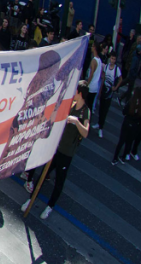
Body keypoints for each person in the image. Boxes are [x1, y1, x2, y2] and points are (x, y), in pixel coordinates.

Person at [22, 80, 90, 219]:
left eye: (75, 90)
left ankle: (50, 206)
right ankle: (31, 199)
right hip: (56, 148)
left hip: (67, 153)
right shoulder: (71, 104)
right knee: (43, 174)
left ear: (80, 93)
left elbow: (85, 133)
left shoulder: (85, 112)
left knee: (59, 182)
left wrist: (76, 121)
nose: (73, 93)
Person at [112, 85, 141, 164]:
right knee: (129, 142)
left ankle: (115, 158)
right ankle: (123, 157)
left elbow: (124, 112)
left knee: (121, 141)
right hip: (134, 126)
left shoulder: (130, 102)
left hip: (127, 123)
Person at [97, 52, 122, 138]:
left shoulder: (116, 69)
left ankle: (101, 127)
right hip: (104, 90)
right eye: (111, 58)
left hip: (109, 93)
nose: (112, 60)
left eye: (114, 59)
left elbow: (121, 79)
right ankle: (99, 123)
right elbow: (103, 78)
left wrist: (116, 88)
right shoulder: (106, 66)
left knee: (105, 110)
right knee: (101, 108)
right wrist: (100, 89)